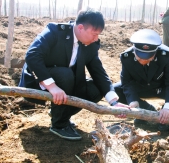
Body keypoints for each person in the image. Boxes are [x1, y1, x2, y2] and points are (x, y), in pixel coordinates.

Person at [18, 9, 128, 141]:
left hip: (66, 82)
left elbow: (98, 72)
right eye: (94, 34)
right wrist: (52, 86)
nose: (96, 38)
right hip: (39, 81)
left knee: (96, 88)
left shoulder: (90, 45)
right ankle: (59, 125)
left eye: (98, 35)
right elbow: (32, 55)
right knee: (66, 74)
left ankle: (61, 114)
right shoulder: (54, 31)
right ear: (81, 27)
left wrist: (114, 102)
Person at [113, 29, 169, 131]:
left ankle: (166, 118)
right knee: (115, 89)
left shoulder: (166, 55)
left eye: (148, 58)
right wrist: (133, 102)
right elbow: (127, 82)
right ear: (134, 50)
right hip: (141, 87)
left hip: (161, 87)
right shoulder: (126, 57)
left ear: (155, 51)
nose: (143, 61)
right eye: (140, 58)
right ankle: (145, 110)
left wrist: (168, 108)